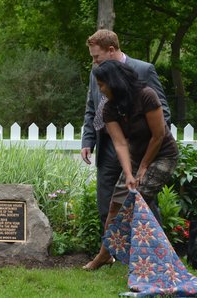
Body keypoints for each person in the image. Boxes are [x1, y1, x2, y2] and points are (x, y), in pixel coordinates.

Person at [82, 60, 178, 270]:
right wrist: (128, 173)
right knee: (116, 206)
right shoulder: (109, 108)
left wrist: (143, 168)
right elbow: (120, 143)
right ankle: (104, 255)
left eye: (102, 85)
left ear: (114, 82)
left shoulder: (146, 95)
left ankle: (155, 261)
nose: (100, 90)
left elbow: (158, 135)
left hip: (162, 154)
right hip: (135, 156)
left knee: (136, 202)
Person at [81, 29, 171, 228]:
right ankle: (111, 254)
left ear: (111, 50)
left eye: (97, 57)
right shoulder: (95, 73)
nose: (94, 62)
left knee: (143, 202)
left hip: (137, 148)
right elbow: (91, 108)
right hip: (107, 146)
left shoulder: (143, 70)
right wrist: (88, 140)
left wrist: (146, 143)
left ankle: (154, 251)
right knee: (107, 203)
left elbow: (163, 112)